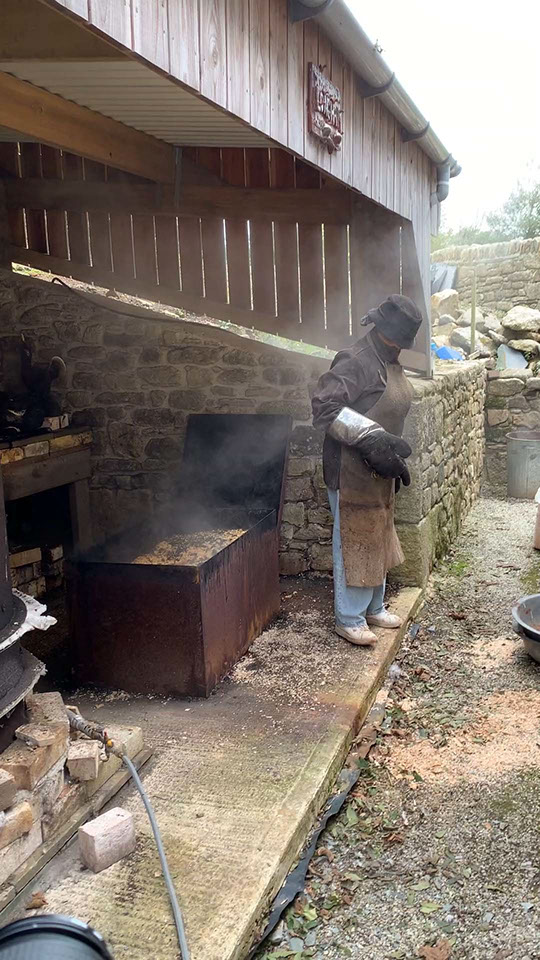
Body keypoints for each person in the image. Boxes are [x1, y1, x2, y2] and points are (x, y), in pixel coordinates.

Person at [311, 295, 422, 646]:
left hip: (378, 468)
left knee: (378, 535)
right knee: (355, 539)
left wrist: (387, 452)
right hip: (350, 471)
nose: (398, 348)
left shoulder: (388, 360)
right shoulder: (355, 360)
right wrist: (372, 438)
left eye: (402, 343)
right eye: (395, 341)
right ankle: (349, 619)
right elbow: (324, 408)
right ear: (380, 329)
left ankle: (373, 607)